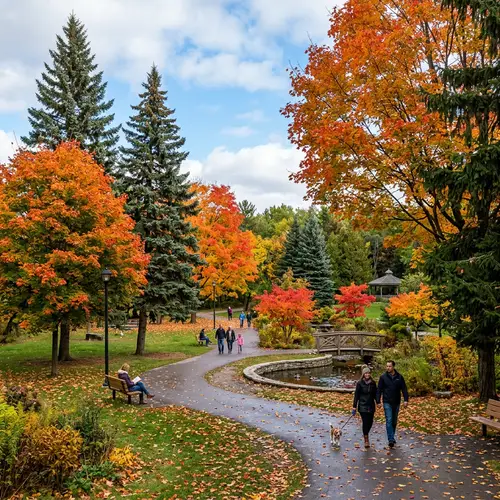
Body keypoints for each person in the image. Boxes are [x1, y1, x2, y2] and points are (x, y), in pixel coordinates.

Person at [376, 360, 409, 448]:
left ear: (393, 367)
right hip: (387, 402)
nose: (388, 368)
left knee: (394, 421)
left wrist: (406, 400)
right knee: (389, 420)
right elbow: (379, 390)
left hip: (396, 402)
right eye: (387, 366)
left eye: (389, 366)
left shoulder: (399, 377)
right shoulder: (383, 377)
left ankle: (392, 436)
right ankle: (390, 439)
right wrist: (378, 401)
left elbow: (404, 389)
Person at [352, 366, 377, 448]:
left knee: (370, 422)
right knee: (365, 422)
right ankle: (366, 439)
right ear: (363, 374)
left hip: (371, 405)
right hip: (362, 405)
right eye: (366, 373)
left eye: (368, 373)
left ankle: (366, 432)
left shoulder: (373, 383)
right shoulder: (360, 383)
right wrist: (354, 406)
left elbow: (375, 394)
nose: (367, 374)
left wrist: (378, 402)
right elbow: (356, 395)